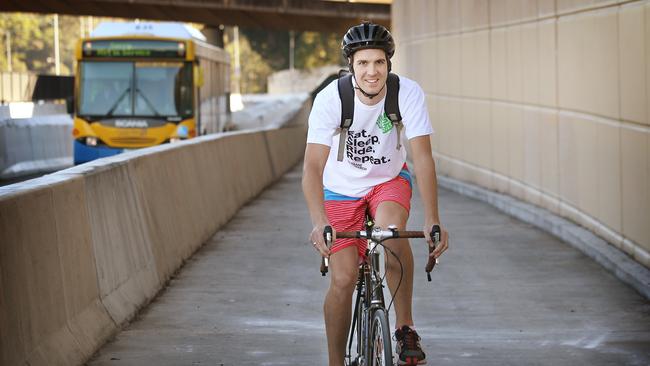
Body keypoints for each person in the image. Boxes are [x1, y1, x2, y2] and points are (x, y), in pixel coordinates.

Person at [302, 22, 450, 366]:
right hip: (340, 190)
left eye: (379, 63)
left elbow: (423, 158)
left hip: (388, 180)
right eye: (364, 63)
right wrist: (318, 220)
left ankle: (404, 328)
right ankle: (335, 362)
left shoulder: (406, 93)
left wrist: (432, 219)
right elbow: (311, 167)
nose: (372, 71)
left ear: (389, 64)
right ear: (351, 66)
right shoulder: (331, 99)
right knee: (342, 279)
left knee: (390, 234)